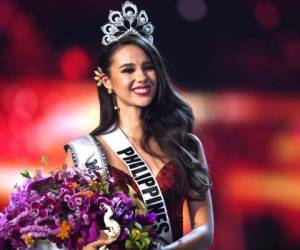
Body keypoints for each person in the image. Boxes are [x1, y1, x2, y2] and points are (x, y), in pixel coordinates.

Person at [63, 1, 214, 249]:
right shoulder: (83, 154)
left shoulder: (185, 144)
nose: (141, 77)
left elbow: (205, 231)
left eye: (148, 67)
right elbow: (68, 237)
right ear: (107, 81)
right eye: (128, 70)